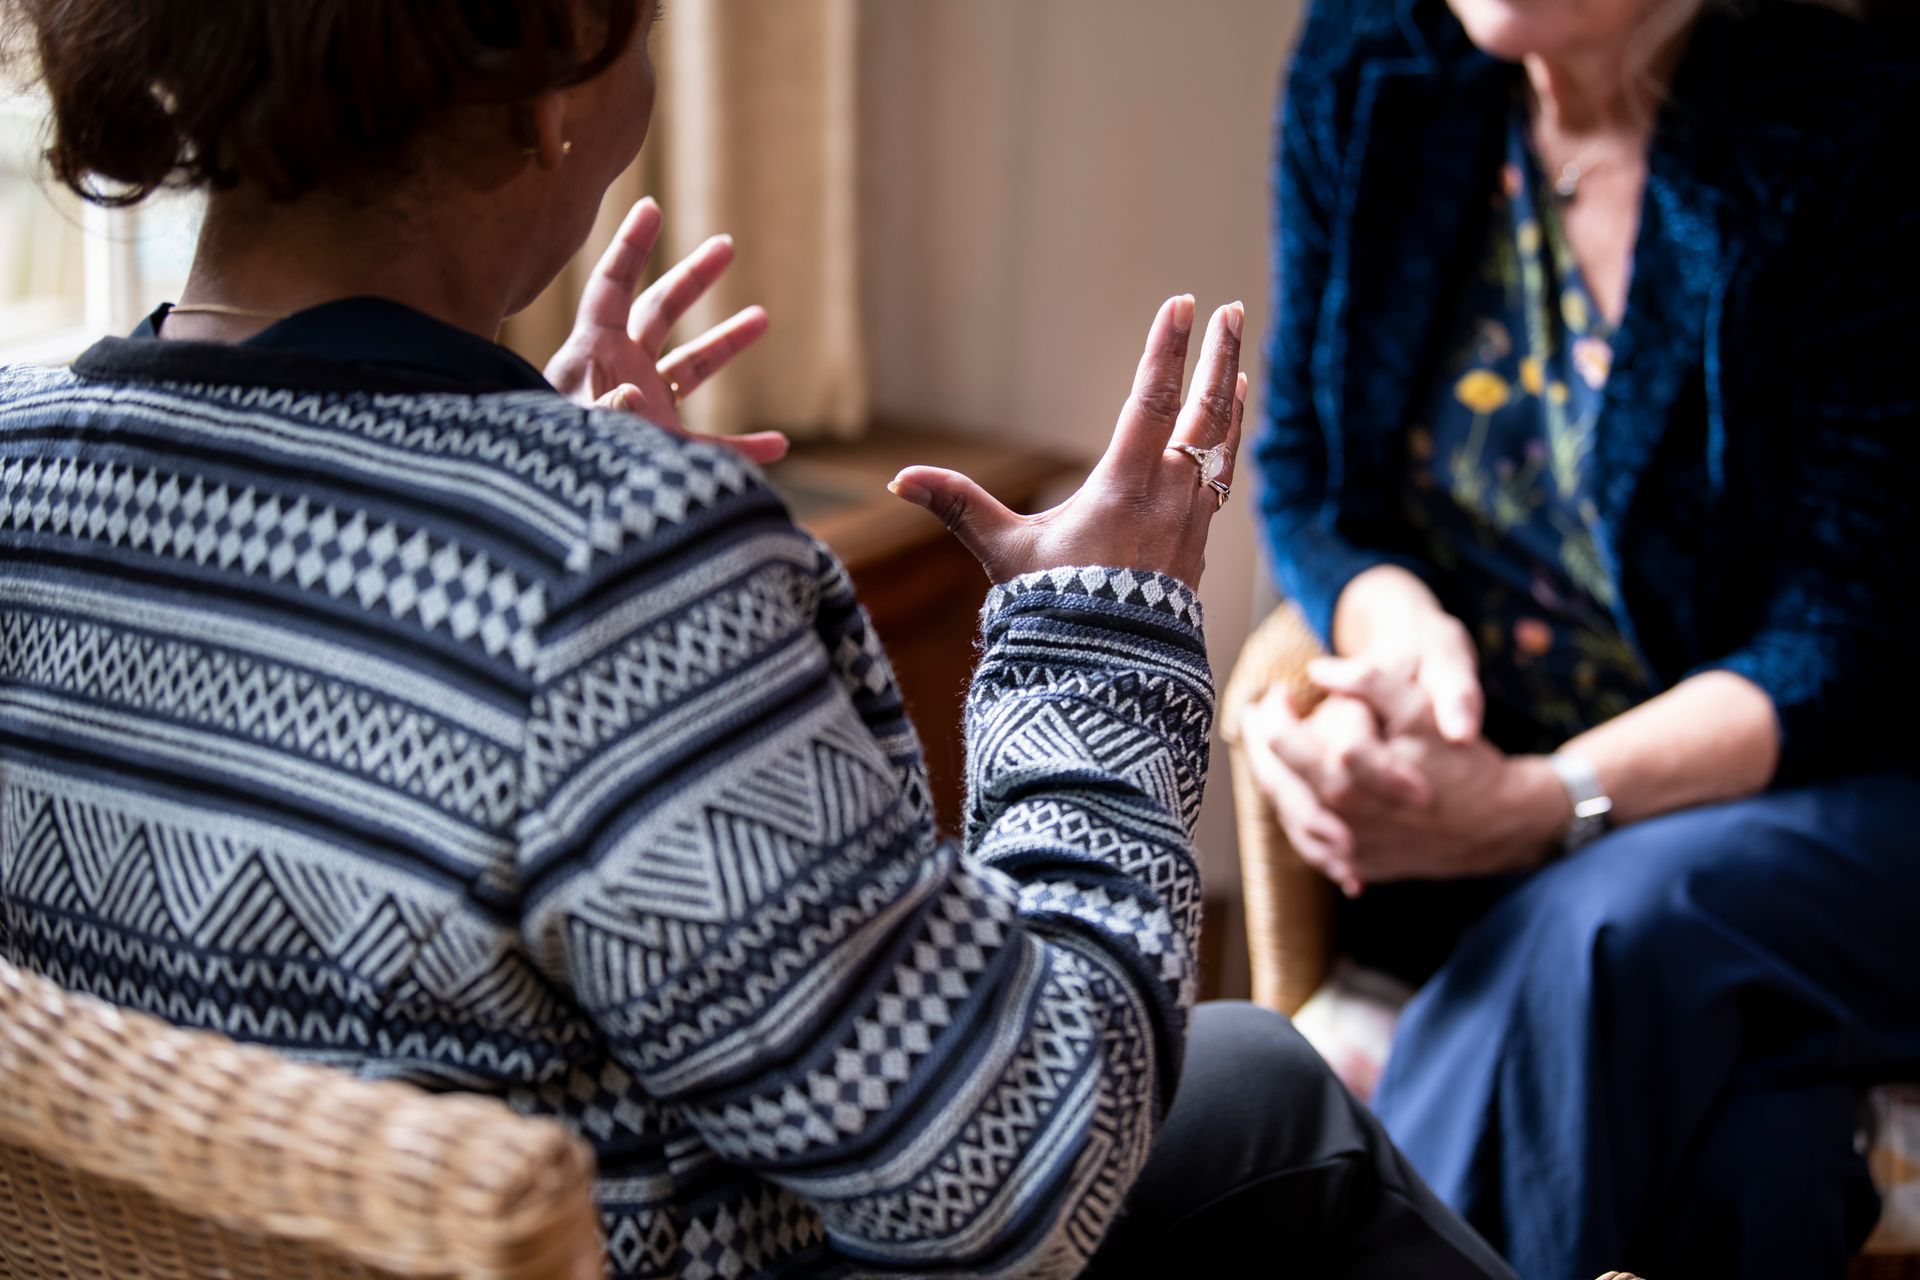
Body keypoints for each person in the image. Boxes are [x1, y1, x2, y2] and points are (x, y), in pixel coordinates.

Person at [0, 1, 1520, 1276]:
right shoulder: (598, 573)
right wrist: (1097, 630)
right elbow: (1009, 1176)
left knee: (1251, 1087)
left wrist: (533, 471)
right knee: (1257, 1085)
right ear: (550, 89)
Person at [1243, 0, 1920, 1275]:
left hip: (1846, 802)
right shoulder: (1374, 56)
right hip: (1539, 840)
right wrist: (1398, 640)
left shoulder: (1866, 116)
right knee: (1757, 1158)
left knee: (1599, 931)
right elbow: (1316, 481)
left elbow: (1850, 631)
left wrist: (1540, 803)